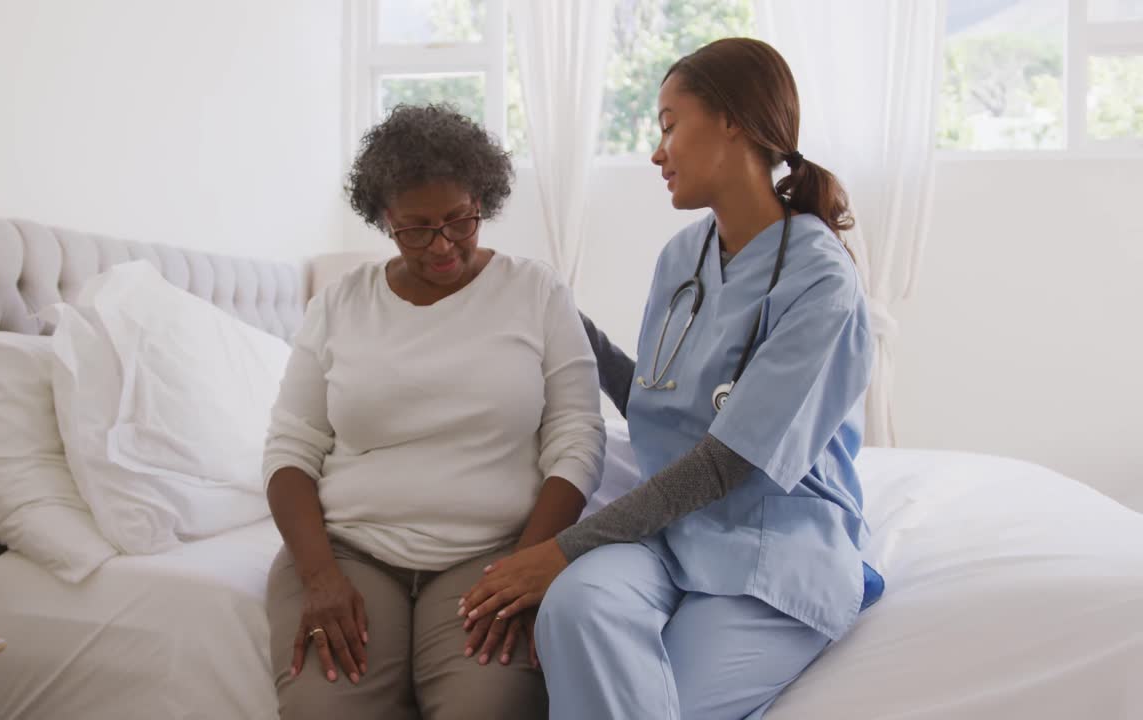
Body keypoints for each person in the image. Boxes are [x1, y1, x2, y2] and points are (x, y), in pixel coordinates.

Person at [459, 37, 884, 720]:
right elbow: (659, 402)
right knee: (575, 605)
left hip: (770, 547)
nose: (658, 153)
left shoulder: (820, 279)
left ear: (732, 121)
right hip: (671, 533)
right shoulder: (683, 255)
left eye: (668, 125)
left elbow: (725, 462)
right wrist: (557, 312)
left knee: (661, 704)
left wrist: (561, 549)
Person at [261, 103, 605, 720]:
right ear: (384, 219)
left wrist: (528, 564)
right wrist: (319, 577)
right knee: (324, 708)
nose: (443, 245)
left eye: (460, 220)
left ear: (483, 200)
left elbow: (577, 437)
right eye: (416, 229)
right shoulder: (340, 304)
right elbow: (291, 447)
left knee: (489, 707)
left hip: (493, 554)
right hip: (349, 553)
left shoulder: (537, 291)